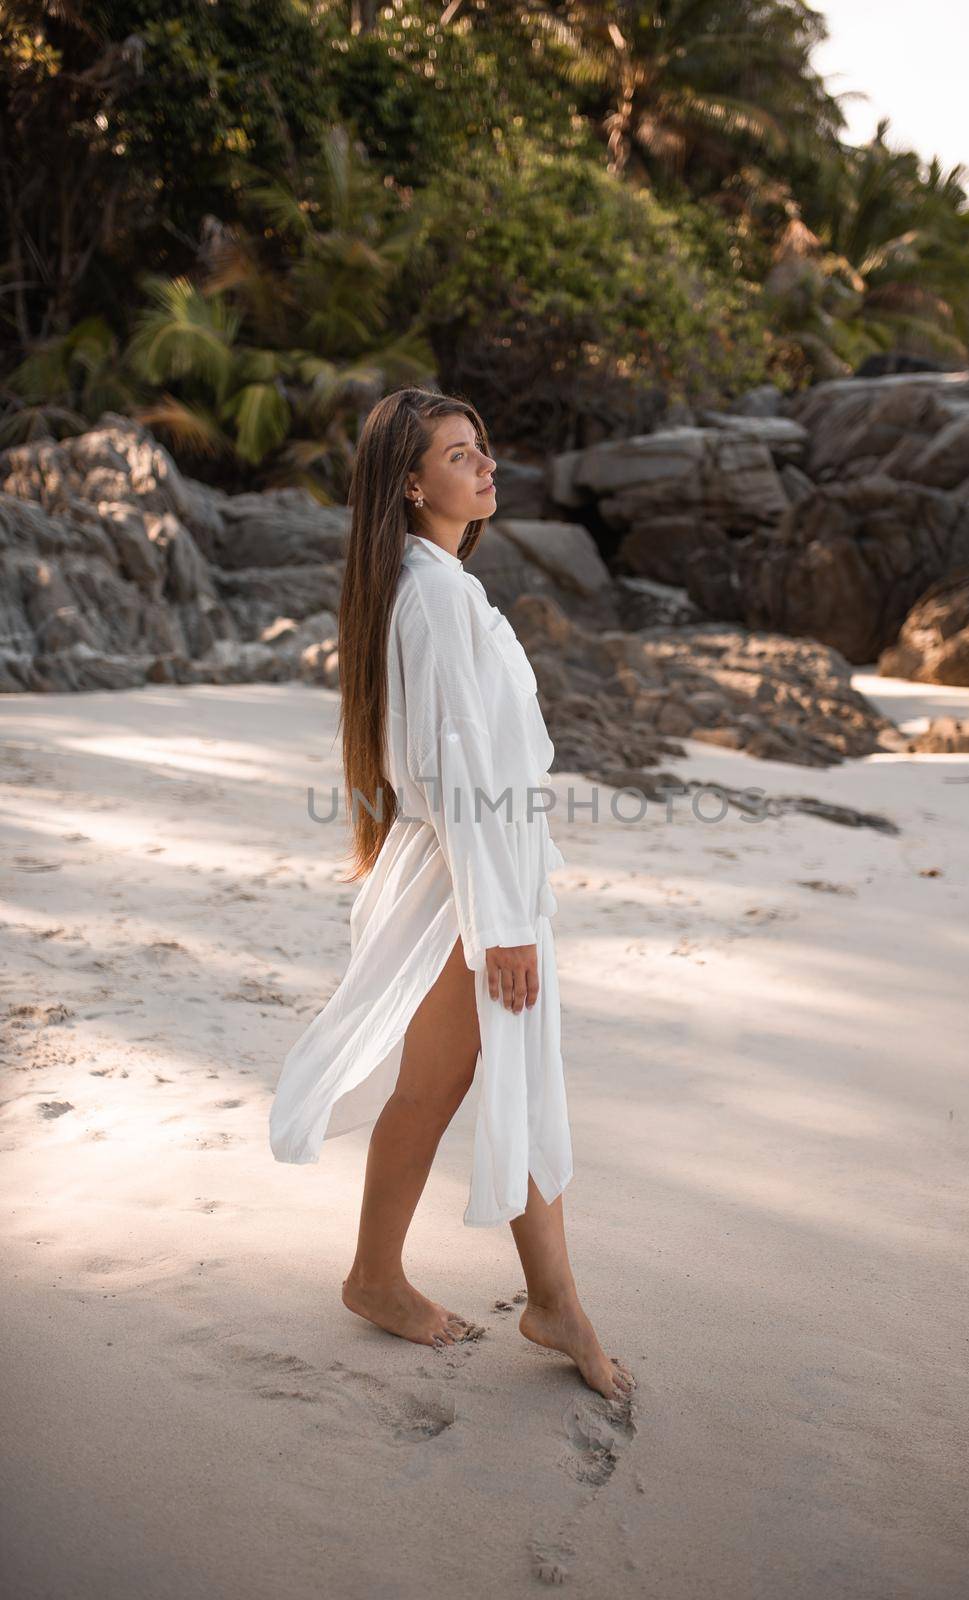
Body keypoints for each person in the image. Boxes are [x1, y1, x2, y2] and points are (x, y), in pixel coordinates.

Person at [269, 386, 635, 1402]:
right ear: (410, 483)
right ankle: (540, 1300)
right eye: (460, 454)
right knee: (495, 1077)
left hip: (472, 868)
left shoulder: (440, 585)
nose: (485, 467)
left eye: (484, 449)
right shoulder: (430, 594)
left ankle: (387, 1277)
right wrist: (503, 927)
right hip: (467, 880)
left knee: (444, 1086)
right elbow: (463, 770)